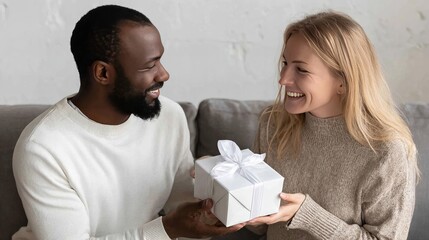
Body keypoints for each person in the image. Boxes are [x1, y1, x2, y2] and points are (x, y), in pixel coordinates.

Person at [12, 4, 243, 240]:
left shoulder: (169, 116)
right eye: (150, 65)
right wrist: (168, 229)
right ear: (103, 73)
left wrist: (214, 189)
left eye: (160, 60)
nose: (164, 75)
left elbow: (185, 211)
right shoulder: (42, 148)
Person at [248, 11, 418, 239]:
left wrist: (306, 214)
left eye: (301, 69)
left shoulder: (386, 152)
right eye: (285, 63)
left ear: (343, 82)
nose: (283, 79)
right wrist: (220, 189)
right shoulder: (273, 124)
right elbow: (259, 226)